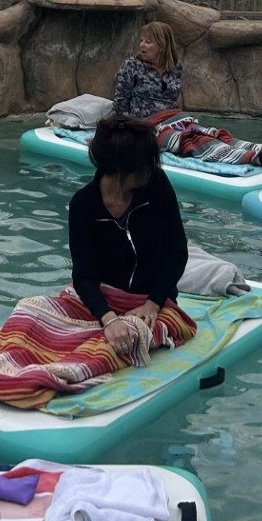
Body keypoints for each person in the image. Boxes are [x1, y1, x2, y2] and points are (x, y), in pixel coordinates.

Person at [68, 116, 189, 349]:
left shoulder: (157, 185)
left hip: (153, 301)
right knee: (31, 316)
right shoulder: (83, 205)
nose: (151, 169)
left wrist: (153, 303)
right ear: (122, 168)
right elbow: (84, 275)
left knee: (126, 342)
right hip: (104, 303)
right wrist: (108, 318)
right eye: (145, 164)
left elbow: (177, 251)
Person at [111, 22, 262, 169]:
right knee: (191, 140)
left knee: (212, 133)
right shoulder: (131, 66)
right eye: (141, 40)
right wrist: (116, 132)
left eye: (148, 41)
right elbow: (120, 104)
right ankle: (255, 158)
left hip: (174, 118)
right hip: (147, 126)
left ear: (161, 46)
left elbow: (172, 101)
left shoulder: (174, 67)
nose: (142, 45)